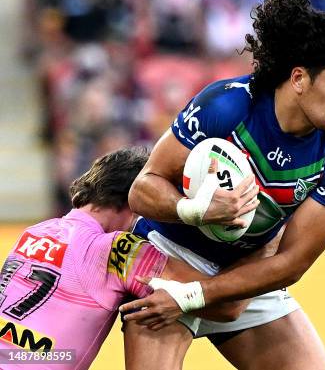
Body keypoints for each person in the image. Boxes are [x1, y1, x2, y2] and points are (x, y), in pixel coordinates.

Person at [121, 0, 325, 370]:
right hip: (165, 254)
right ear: (300, 79)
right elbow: (142, 189)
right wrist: (195, 210)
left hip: (244, 278)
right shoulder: (227, 104)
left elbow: (292, 263)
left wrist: (193, 295)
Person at [0, 147, 254, 370]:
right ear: (136, 203)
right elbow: (226, 306)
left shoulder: (35, 231)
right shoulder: (116, 250)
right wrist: (262, 243)